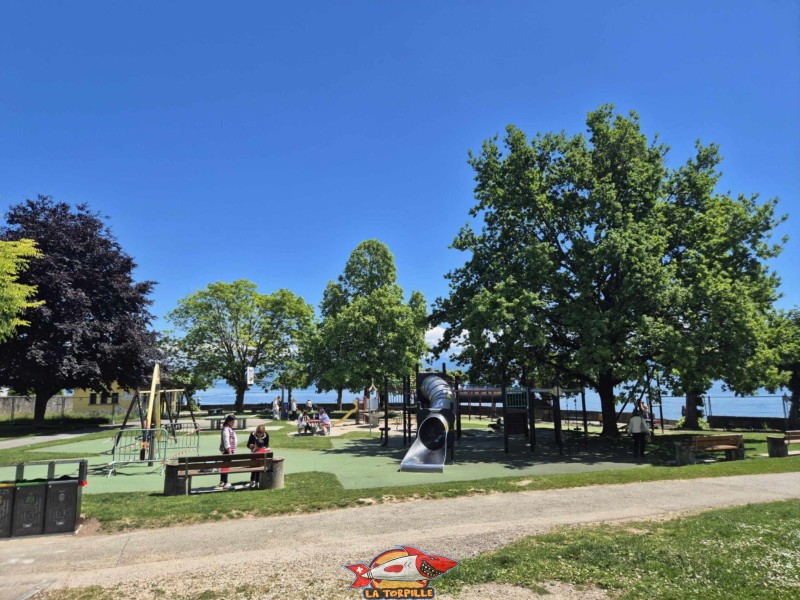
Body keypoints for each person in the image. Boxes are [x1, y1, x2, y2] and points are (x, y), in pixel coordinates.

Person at [247, 424, 270, 488]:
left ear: (264, 432)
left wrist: (262, 448)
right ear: (256, 431)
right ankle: (252, 480)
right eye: (258, 432)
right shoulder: (252, 434)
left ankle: (257, 481)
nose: (259, 434)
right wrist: (251, 446)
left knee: (257, 465)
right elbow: (248, 444)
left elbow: (267, 445)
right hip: (254, 453)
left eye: (261, 433)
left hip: (261, 455)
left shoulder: (266, 435)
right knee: (254, 465)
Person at [218, 414, 237, 489]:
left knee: (225, 466)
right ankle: (225, 482)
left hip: (230, 450)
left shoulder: (229, 428)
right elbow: (226, 442)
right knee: (225, 466)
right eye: (232, 421)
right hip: (227, 451)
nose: (233, 423)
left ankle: (222, 481)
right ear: (228, 421)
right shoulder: (226, 429)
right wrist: (229, 452)